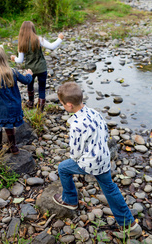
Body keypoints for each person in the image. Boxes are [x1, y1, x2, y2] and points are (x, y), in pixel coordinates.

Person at [52, 82, 142, 239]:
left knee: (63, 168)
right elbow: (105, 133)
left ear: (69, 105)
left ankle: (70, 199)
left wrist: (75, 158)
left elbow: (76, 153)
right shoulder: (94, 112)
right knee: (109, 187)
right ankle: (130, 224)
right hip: (103, 158)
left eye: (62, 104)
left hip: (90, 162)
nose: (62, 106)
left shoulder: (76, 125)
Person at [11, 21, 64, 112]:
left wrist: (14, 58)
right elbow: (52, 46)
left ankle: (31, 103)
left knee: (30, 86)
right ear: (33, 29)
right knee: (42, 89)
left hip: (30, 70)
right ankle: (40, 110)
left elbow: (20, 60)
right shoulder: (39, 39)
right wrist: (60, 39)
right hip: (41, 68)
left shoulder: (22, 43)